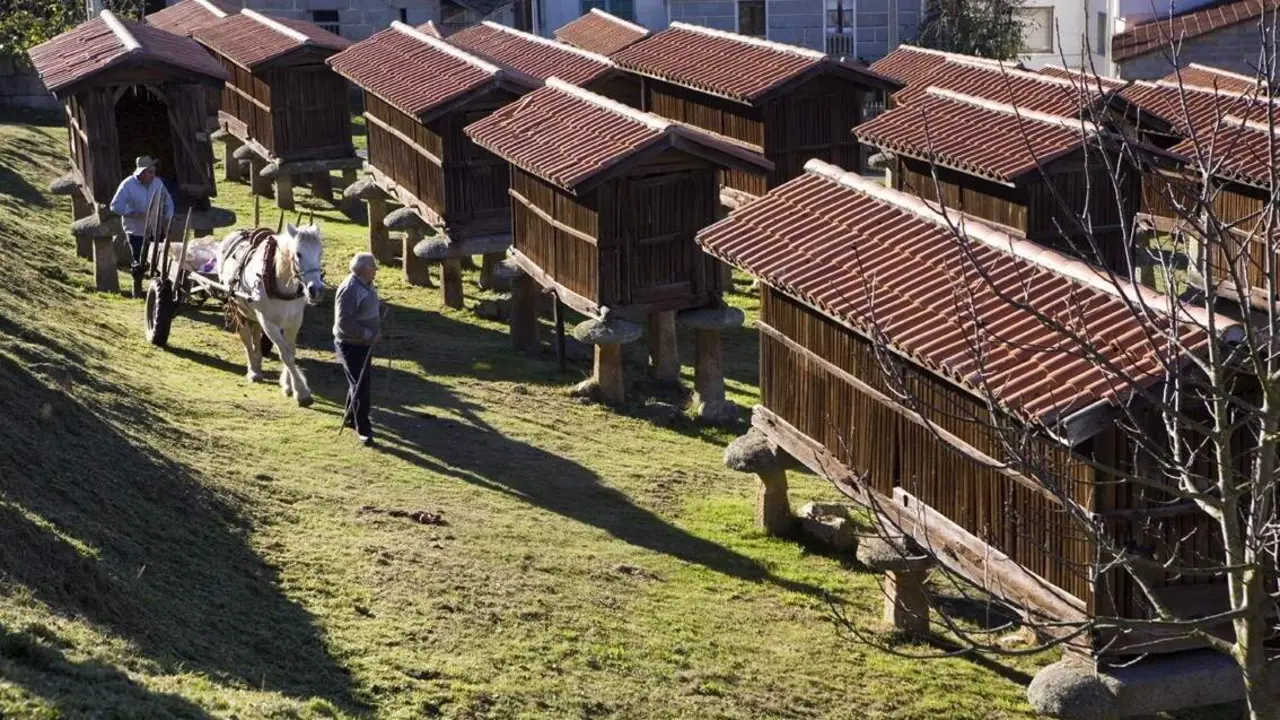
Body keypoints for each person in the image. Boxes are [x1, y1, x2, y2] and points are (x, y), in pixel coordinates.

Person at [334, 253, 382, 446]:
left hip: (363, 344)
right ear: (363, 269)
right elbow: (344, 322)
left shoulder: (365, 284)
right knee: (361, 386)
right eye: (373, 266)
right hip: (351, 345)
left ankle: (349, 418)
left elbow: (363, 306)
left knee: (358, 382)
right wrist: (369, 335)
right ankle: (364, 429)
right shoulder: (350, 289)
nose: (376, 270)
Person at [108, 155, 174, 298]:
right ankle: (137, 293)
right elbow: (114, 206)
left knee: (158, 262)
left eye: (153, 171)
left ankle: (157, 294)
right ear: (142, 172)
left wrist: (168, 217)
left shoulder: (158, 183)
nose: (153, 174)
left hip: (155, 230)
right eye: (150, 172)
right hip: (136, 231)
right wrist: (130, 212)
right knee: (139, 263)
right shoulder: (127, 185)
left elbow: (168, 202)